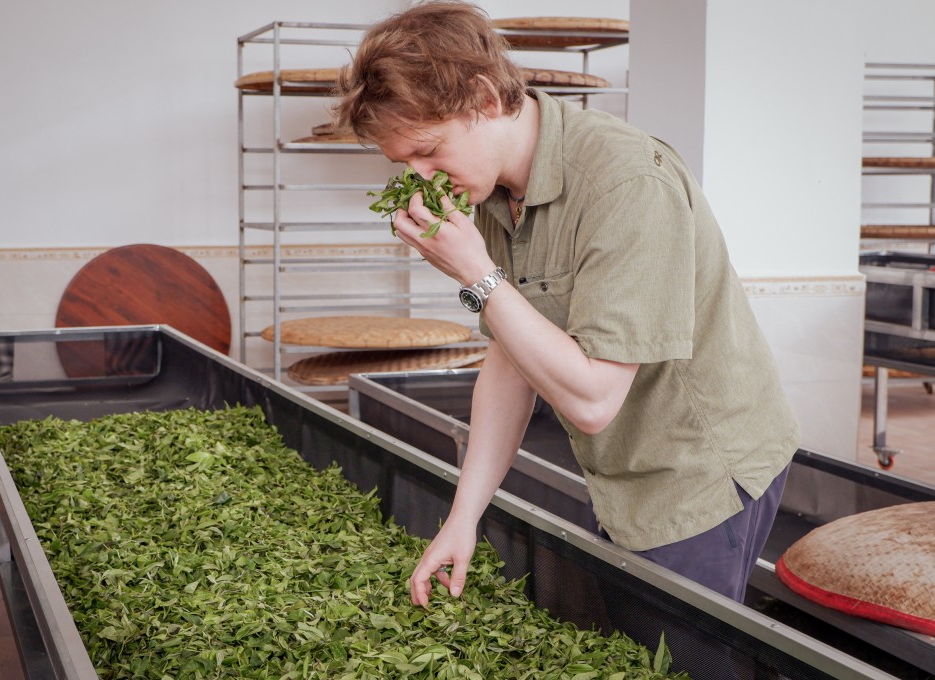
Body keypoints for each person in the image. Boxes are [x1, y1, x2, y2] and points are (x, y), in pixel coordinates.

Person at [333, 1, 800, 610]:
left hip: (700, 473)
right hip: (620, 473)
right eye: (404, 165)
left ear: (483, 98)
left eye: (428, 150)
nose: (422, 179)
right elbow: (509, 363)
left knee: (676, 656)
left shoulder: (629, 183)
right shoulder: (497, 191)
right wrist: (463, 517)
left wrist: (475, 271)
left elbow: (593, 401)